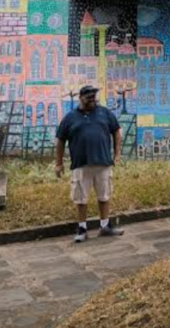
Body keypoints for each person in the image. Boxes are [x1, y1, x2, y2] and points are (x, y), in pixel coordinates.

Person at [56, 85, 124, 243]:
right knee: (80, 198)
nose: (93, 100)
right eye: (89, 98)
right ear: (81, 98)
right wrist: (58, 163)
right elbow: (60, 139)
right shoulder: (70, 117)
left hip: (103, 162)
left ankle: (105, 226)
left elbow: (116, 131)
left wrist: (117, 153)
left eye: (94, 97)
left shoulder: (105, 113)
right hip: (81, 164)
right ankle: (82, 229)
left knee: (104, 195)